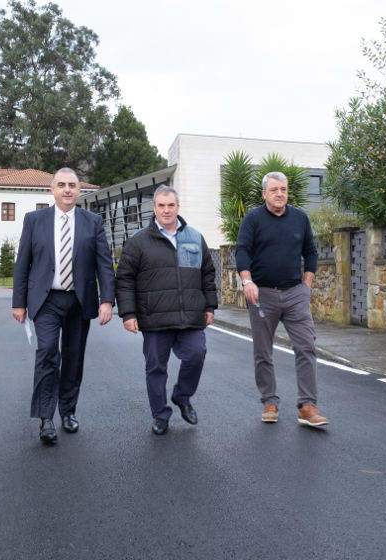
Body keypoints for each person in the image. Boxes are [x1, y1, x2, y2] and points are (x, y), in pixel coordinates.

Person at [12, 167, 115, 444]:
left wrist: (107, 300)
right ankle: (46, 418)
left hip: (79, 299)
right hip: (46, 300)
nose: (67, 189)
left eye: (72, 185)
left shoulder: (93, 222)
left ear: (79, 190)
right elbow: (23, 263)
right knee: (47, 352)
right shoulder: (35, 220)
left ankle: (68, 411)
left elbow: (104, 264)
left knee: (73, 356)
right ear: (52, 189)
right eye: (61, 185)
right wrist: (18, 302)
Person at [115, 186, 218, 435]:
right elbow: (125, 279)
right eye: (161, 206)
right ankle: (160, 414)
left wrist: (210, 306)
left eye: (170, 205)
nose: (166, 210)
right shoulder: (138, 241)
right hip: (154, 318)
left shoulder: (194, 237)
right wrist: (128, 314)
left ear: (178, 207)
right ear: (154, 209)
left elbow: (207, 274)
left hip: (190, 315)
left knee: (196, 353)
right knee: (156, 368)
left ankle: (182, 396)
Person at [236, 171, 328, 427]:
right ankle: (270, 402)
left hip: (295, 293)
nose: (279, 194)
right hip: (262, 294)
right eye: (274, 189)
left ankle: (307, 406)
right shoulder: (253, 219)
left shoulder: (300, 218)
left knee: (306, 345)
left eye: (283, 189)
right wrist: (247, 281)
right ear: (264, 193)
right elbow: (242, 250)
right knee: (263, 351)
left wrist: (306, 285)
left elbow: (310, 252)